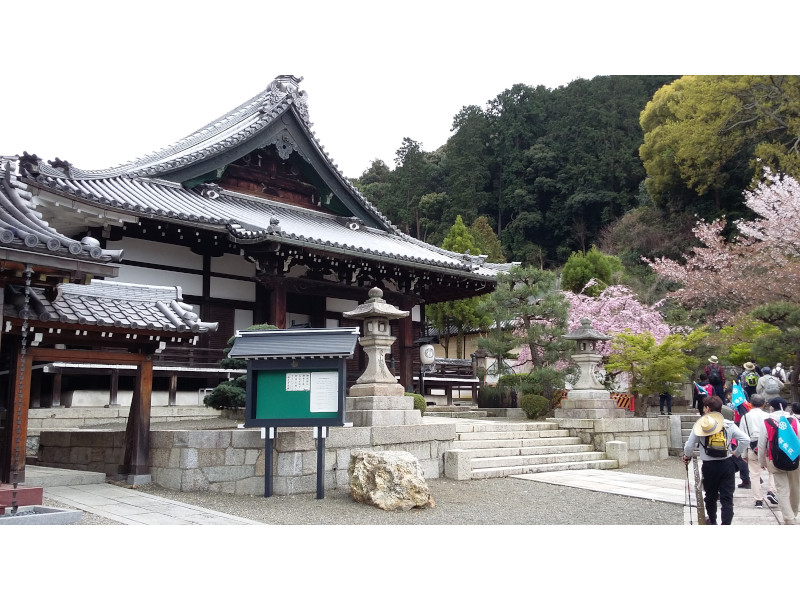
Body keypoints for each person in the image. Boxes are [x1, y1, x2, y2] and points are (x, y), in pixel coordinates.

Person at [682, 395, 750, 525]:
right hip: (727, 464)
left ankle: (712, 521)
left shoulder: (700, 425)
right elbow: (745, 440)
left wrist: (687, 456)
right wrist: (736, 453)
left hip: (709, 466)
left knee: (711, 496)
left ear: (707, 408)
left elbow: (690, 446)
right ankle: (726, 524)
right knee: (727, 498)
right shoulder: (728, 424)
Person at [758, 398, 800, 525]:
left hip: (775, 460)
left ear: (771, 407)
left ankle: (789, 518)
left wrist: (762, 462)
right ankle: (794, 512)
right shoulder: (794, 421)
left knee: (782, 490)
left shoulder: (767, 422)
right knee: (795, 488)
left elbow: (761, 444)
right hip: (794, 459)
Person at [742, 394, 778, 507]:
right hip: (767, 448)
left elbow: (742, 436)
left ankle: (758, 500)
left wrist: (743, 453)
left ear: (751, 404)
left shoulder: (745, 417)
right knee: (772, 471)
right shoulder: (769, 416)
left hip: (752, 448)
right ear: (764, 404)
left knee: (754, 474)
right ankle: (772, 491)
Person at [722, 404, 751, 489]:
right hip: (730, 441)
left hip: (730, 443)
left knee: (740, 461)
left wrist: (737, 452)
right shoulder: (728, 413)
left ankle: (746, 479)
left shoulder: (724, 415)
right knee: (739, 461)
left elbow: (745, 439)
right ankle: (746, 479)